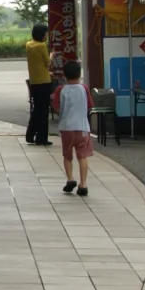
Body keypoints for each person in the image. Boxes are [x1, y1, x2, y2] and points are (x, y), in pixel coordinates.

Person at [57, 58, 93, 199]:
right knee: (82, 156)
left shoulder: (61, 90)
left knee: (67, 155)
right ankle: (83, 185)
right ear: (79, 74)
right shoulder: (84, 89)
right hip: (82, 127)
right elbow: (90, 105)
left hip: (67, 128)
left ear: (64, 75)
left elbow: (56, 107)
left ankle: (70, 179)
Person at [24, 22, 53, 146]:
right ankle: (41, 138)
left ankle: (30, 135)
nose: (47, 35)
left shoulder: (29, 45)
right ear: (42, 34)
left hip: (34, 82)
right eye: (46, 33)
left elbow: (37, 63)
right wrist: (52, 55)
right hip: (44, 82)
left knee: (36, 110)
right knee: (44, 111)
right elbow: (48, 63)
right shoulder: (42, 46)